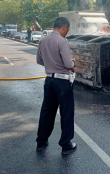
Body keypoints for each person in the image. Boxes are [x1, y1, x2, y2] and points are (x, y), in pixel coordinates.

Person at [36, 17, 77, 155]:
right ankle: (66, 145)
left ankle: (41, 142)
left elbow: (39, 60)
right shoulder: (62, 41)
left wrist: (51, 65)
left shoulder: (43, 40)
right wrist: (73, 62)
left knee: (47, 112)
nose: (67, 32)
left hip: (49, 81)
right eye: (67, 29)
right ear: (64, 27)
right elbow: (68, 64)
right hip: (63, 82)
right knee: (66, 112)